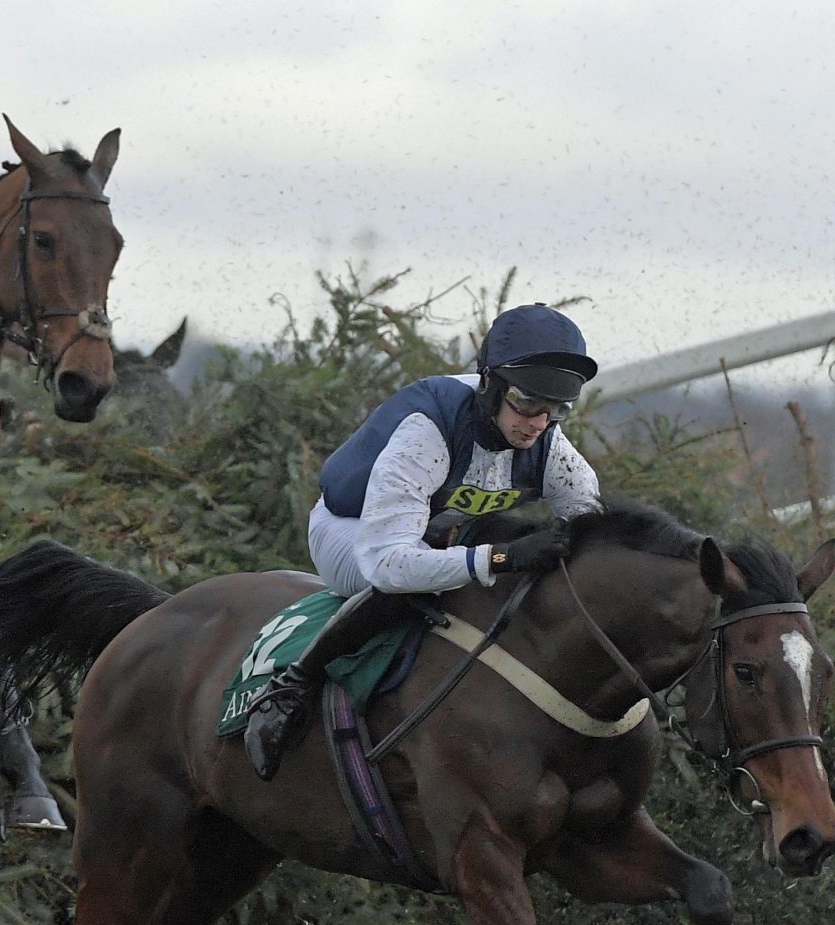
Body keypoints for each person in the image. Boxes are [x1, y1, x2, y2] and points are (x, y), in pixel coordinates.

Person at [243, 303, 604, 779]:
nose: (539, 423)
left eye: (557, 408)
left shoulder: (550, 446)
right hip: (352, 533)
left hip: (434, 532)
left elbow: (592, 528)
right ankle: (290, 689)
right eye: (526, 402)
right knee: (426, 581)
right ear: (490, 384)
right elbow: (389, 564)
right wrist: (501, 557)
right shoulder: (428, 429)